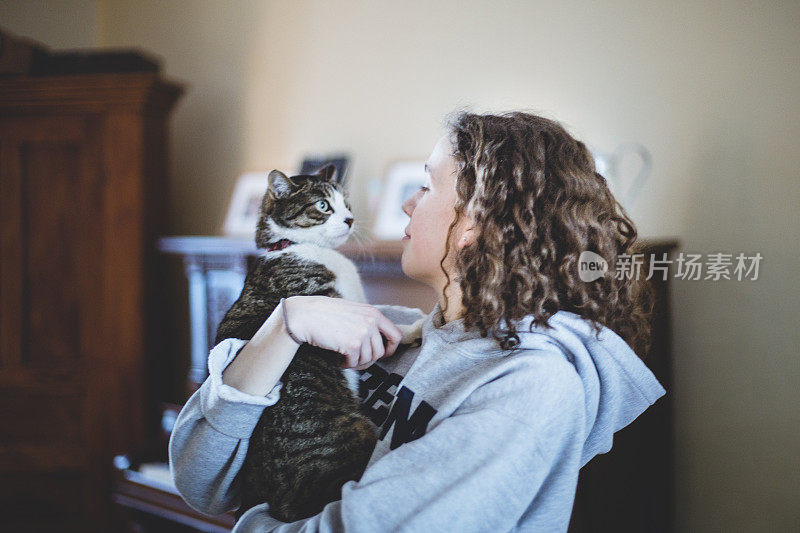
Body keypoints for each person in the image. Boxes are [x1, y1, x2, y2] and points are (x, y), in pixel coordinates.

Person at [168, 110, 666, 532]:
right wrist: (281, 327)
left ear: (474, 222)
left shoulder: (527, 384)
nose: (406, 202)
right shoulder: (376, 328)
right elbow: (200, 482)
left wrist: (255, 525)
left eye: (426, 187)